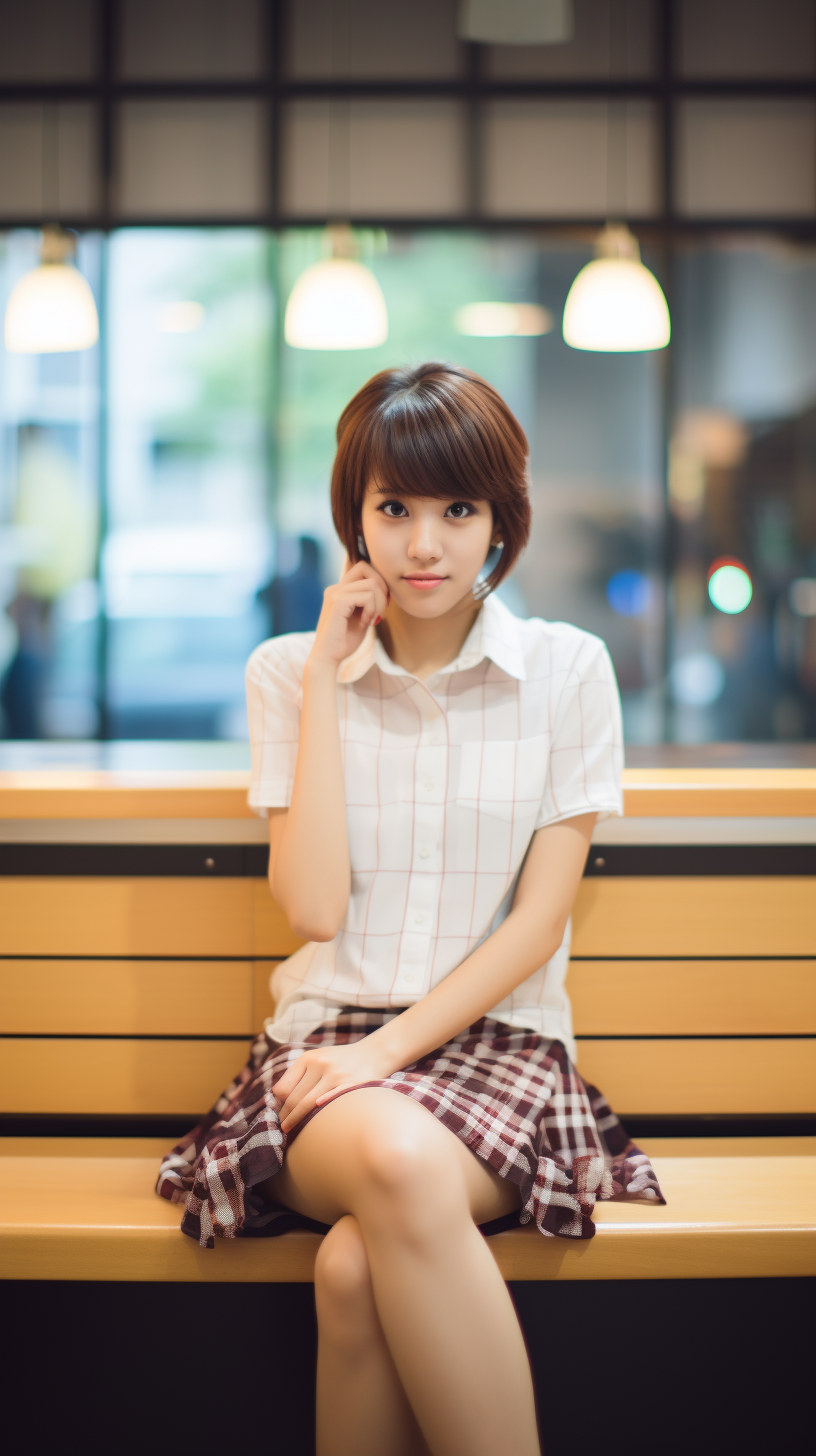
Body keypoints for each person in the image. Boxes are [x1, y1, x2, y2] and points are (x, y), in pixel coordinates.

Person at [156, 362, 664, 1456]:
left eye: (458, 510)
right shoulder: (290, 671)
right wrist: (335, 685)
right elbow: (313, 907)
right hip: (324, 1053)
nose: (423, 545)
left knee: (353, 1268)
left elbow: (537, 926)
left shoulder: (568, 670)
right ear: (356, 518)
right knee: (389, 1162)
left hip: (502, 1055)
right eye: (394, 509)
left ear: (501, 520)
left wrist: (389, 1052)